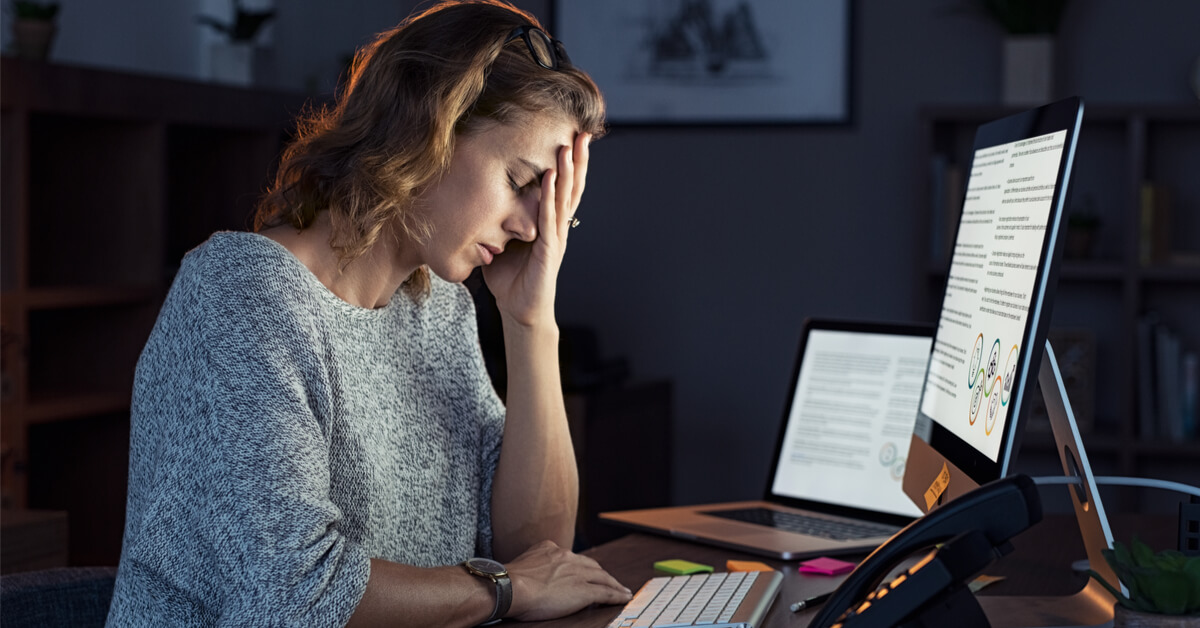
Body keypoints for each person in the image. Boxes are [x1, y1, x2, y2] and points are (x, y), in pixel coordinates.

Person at [105, 1, 633, 626]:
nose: (527, 227)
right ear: (428, 126)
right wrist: (503, 590)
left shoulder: (438, 311)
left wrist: (530, 322)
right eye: (521, 181)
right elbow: (293, 592)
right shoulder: (240, 296)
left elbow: (536, 556)